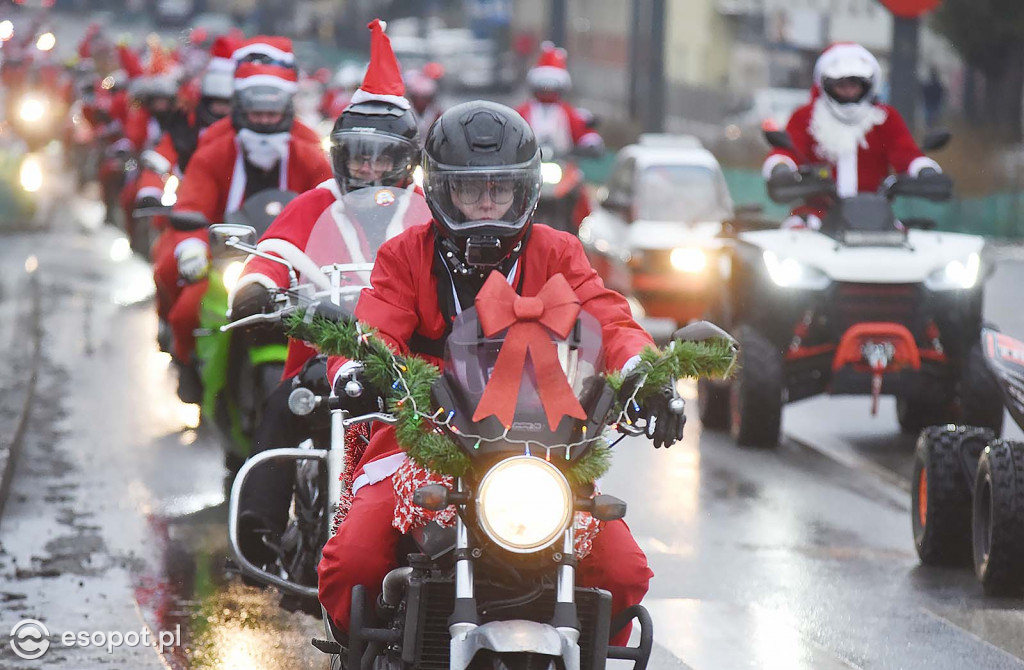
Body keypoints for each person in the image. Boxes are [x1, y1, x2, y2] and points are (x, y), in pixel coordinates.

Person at [317, 100, 685, 648]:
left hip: (542, 448)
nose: (486, 203)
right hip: (425, 437)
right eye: (470, 190)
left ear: (524, 191)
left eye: (500, 189)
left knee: (622, 572)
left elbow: (609, 319)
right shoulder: (405, 256)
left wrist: (644, 374)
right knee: (354, 561)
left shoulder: (558, 252)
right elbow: (376, 328)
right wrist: (356, 369)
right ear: (442, 191)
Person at [230, 18, 424, 568]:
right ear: (340, 155)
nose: (369, 167)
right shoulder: (315, 201)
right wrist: (258, 286)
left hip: (409, 361)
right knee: (285, 403)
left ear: (404, 159)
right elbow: (273, 251)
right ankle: (258, 533)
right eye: (359, 155)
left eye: (382, 157)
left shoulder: (428, 212)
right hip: (324, 351)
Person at [155, 44, 332, 402]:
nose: (265, 120)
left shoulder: (311, 155)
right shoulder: (215, 152)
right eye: (257, 111)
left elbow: (330, 207)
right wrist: (192, 248)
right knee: (188, 310)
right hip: (225, 261)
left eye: (273, 112)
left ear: (287, 109)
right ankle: (191, 370)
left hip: (295, 267)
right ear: (241, 108)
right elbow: (192, 205)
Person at [763, 42, 942, 229]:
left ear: (867, 85)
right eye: (841, 84)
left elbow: (905, 153)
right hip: (817, 215)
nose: (848, 91)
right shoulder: (806, 117)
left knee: (911, 246)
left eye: (855, 84)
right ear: (826, 84)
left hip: (877, 217)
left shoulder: (884, 118)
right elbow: (787, 150)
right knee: (793, 238)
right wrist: (780, 167)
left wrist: (924, 170)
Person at [515, 42, 602, 156]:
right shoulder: (524, 111)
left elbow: (579, 128)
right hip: (530, 162)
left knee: (577, 173)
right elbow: (514, 127)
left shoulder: (566, 112)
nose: (547, 92)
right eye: (544, 88)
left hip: (564, 161)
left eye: (551, 88)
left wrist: (589, 142)